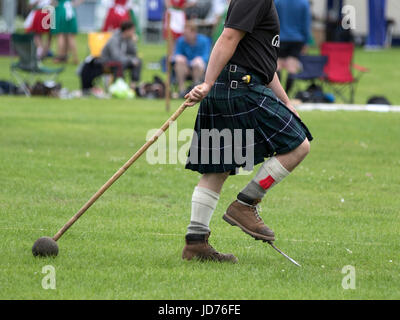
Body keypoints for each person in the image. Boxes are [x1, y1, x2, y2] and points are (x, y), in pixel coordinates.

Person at [182, 0, 313, 262]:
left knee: (216, 169)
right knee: (298, 144)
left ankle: (195, 243)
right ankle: (246, 203)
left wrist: (286, 102)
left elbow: (262, 61)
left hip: (230, 84)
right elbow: (227, 37)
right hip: (239, 86)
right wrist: (206, 83)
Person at [80, 21, 141, 93]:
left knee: (138, 61)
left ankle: (132, 86)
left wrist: (133, 43)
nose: (134, 33)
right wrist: (130, 60)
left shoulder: (128, 40)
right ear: (127, 30)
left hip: (121, 61)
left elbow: (133, 54)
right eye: (132, 30)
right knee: (120, 63)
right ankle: (118, 86)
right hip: (107, 61)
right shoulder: (114, 39)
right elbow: (116, 56)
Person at [275, 0, 312, 95]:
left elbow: (273, 19)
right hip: (297, 39)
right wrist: (307, 41)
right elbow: (306, 24)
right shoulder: (304, 3)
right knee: (292, 68)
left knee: (277, 66)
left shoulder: (277, 2)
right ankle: (286, 95)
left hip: (280, 38)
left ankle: (278, 95)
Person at [174, 21, 211, 97]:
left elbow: (206, 56)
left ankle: (195, 89)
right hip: (185, 67)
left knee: (198, 64)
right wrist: (179, 57)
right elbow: (176, 55)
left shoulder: (204, 41)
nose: (185, 36)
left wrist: (199, 59)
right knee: (179, 63)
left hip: (199, 68)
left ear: (193, 32)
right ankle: (182, 90)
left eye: (187, 34)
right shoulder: (181, 41)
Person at [51, 0, 84, 64]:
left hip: (60, 10)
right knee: (70, 36)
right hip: (70, 10)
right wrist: (73, 4)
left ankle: (60, 56)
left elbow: (53, 2)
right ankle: (74, 57)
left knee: (60, 35)